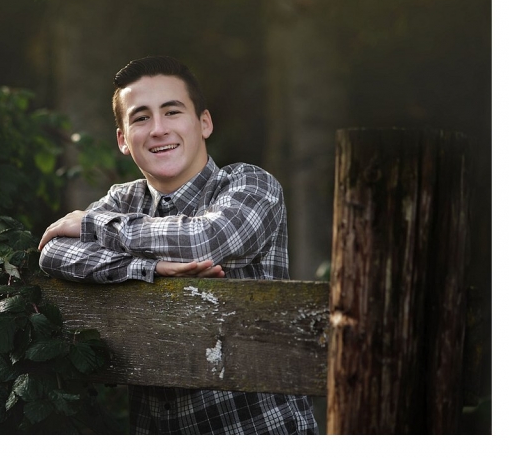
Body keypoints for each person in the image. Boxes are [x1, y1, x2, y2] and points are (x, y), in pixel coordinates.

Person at [38, 56, 318, 435]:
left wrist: (91, 223)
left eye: (172, 112)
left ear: (204, 123)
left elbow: (207, 239)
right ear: (123, 139)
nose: (158, 129)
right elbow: (54, 252)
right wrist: (147, 269)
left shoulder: (250, 185)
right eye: (141, 118)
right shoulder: (124, 200)